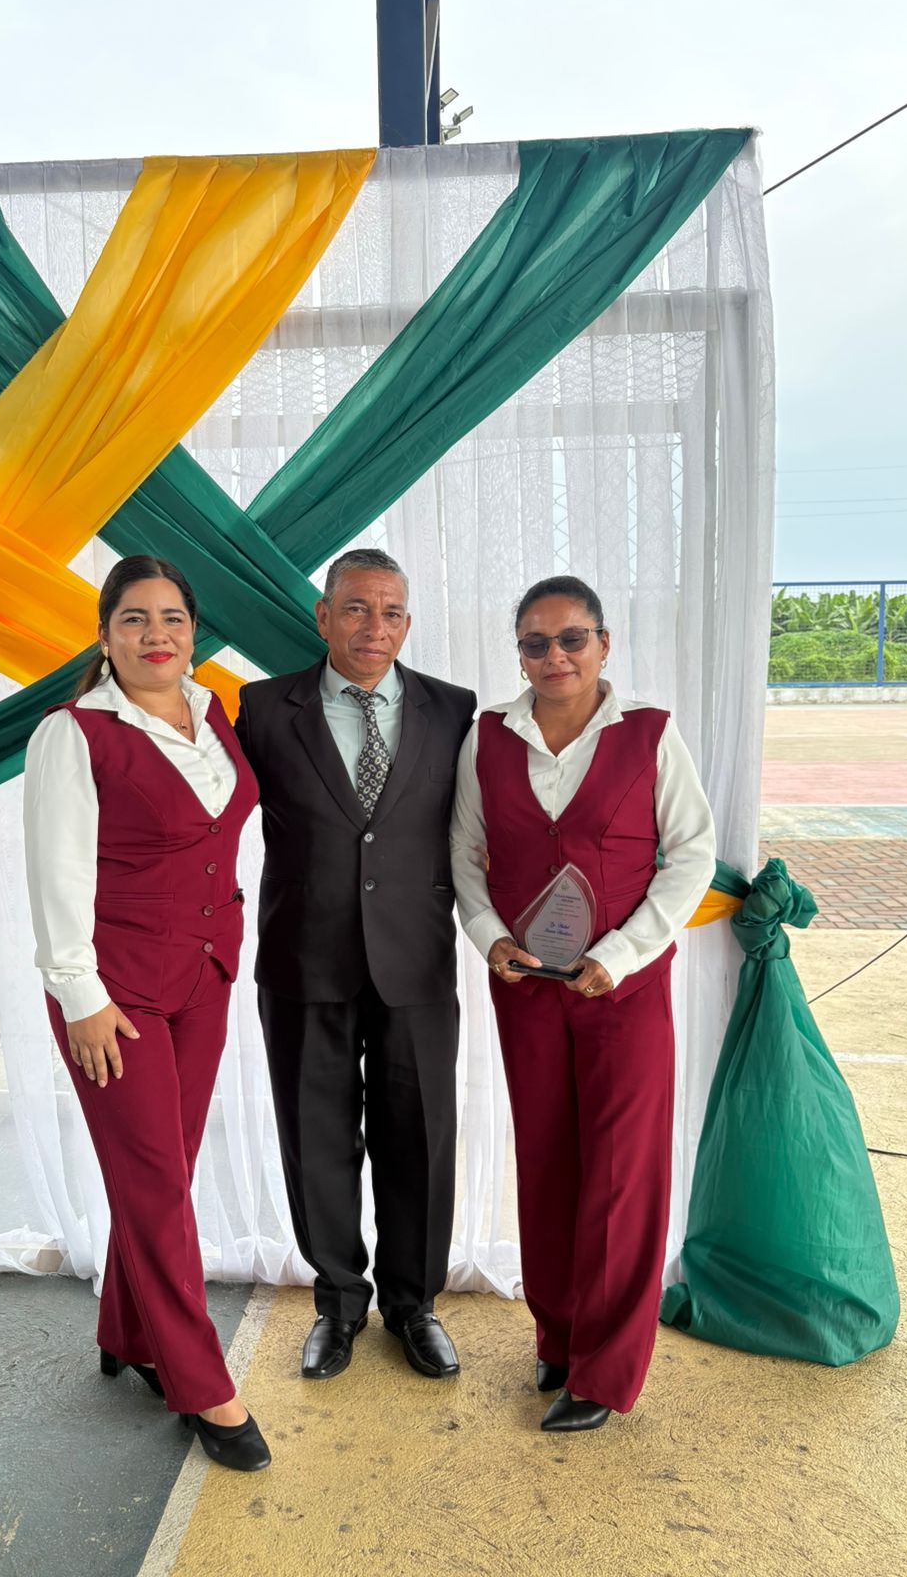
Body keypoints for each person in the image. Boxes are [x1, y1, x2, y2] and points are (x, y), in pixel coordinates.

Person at [450, 575, 716, 1432]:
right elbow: (465, 851)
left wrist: (621, 955)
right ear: (519, 653)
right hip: (526, 987)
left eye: (572, 639)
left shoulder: (650, 733)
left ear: (605, 644)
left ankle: (606, 1371)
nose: (555, 656)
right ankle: (558, 1337)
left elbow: (692, 855)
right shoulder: (488, 736)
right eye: (536, 643)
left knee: (621, 1173)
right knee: (547, 1159)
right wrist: (490, 939)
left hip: (624, 991)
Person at [23, 554, 270, 1472]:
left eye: (172, 618)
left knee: (167, 1170)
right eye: (134, 619)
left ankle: (128, 1331)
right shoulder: (73, 734)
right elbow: (54, 873)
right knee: (158, 1183)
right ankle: (204, 1385)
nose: (155, 634)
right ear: (104, 636)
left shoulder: (216, 715)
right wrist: (78, 996)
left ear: (194, 632)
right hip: (113, 994)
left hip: (204, 977)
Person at [236, 550, 475, 1383]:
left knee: (421, 1138)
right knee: (316, 1140)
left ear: (408, 622)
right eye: (357, 609)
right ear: (323, 616)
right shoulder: (262, 709)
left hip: (417, 961)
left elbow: (484, 827)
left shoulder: (454, 710)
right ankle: (338, 1304)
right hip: (303, 960)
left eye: (392, 612)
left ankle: (414, 1306)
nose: (376, 627)